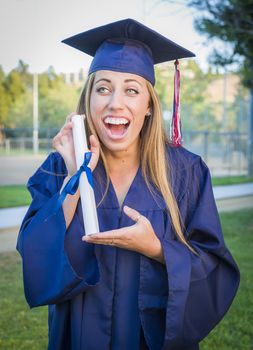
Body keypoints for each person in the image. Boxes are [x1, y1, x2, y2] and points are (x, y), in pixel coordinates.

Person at [17, 19, 240, 350]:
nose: (115, 103)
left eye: (131, 90)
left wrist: (157, 248)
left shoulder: (186, 172)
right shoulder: (57, 168)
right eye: (103, 88)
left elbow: (215, 270)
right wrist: (74, 177)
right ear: (87, 100)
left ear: (148, 106)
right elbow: (34, 256)